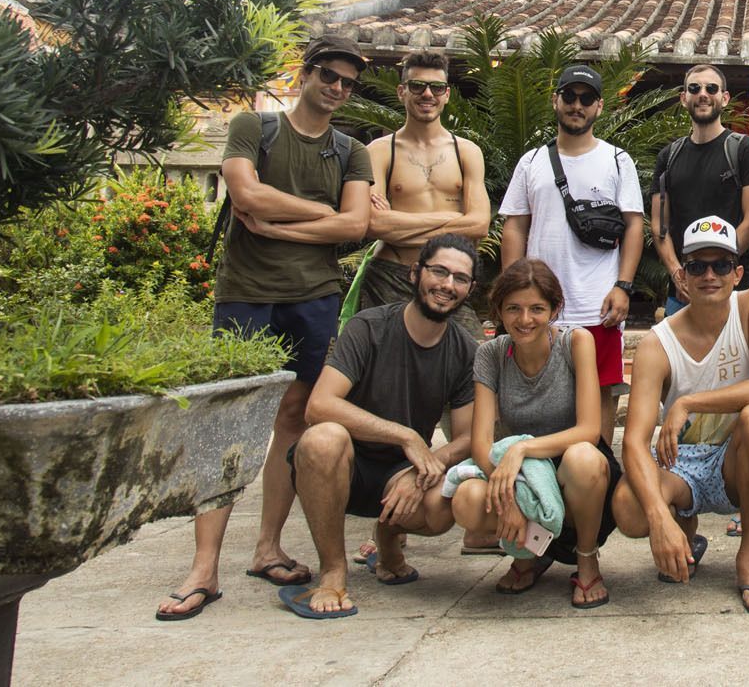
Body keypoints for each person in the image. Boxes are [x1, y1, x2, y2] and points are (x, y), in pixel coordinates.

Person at [157, 35, 374, 621]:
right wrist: (320, 214)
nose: (337, 88)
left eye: (348, 83)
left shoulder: (351, 152)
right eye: (329, 75)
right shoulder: (254, 127)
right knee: (231, 417)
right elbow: (244, 191)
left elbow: (354, 225)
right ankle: (204, 566)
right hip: (248, 294)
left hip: (315, 296)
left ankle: (268, 547)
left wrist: (281, 226)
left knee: (293, 417)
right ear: (305, 74)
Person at [277, 235, 481, 618]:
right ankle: (333, 571)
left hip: (400, 474)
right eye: (438, 271)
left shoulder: (464, 350)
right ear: (415, 273)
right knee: (324, 437)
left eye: (460, 278)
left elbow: (468, 436)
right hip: (342, 465)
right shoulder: (367, 327)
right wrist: (404, 435)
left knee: (442, 505)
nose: (447, 285)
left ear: (469, 289)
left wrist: (422, 469)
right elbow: (318, 406)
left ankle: (387, 539)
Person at [611, 217, 749, 613]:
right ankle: (682, 531)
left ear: (738, 273)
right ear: (682, 277)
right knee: (628, 507)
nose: (710, 275)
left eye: (721, 265)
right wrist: (658, 518)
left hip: (734, 457)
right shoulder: (658, 345)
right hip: (681, 464)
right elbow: (636, 442)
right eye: (697, 266)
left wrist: (688, 403)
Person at [448, 257, 620, 608]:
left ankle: (586, 557)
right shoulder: (490, 355)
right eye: (513, 308)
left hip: (579, 474)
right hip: (524, 475)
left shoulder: (576, 342)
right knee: (467, 499)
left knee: (583, 458)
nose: (525, 320)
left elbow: (589, 430)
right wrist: (508, 496)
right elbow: (481, 443)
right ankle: (530, 553)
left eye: (536, 309)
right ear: (498, 310)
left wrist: (521, 450)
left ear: (555, 309)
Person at [499, 64, 644, 445]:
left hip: (598, 304)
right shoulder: (531, 162)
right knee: (535, 391)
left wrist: (623, 286)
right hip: (539, 306)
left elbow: (633, 225)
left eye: (585, 98)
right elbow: (514, 226)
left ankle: (600, 472)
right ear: (555, 100)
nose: (576, 105)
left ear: (599, 106)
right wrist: (513, 293)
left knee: (604, 392)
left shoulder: (617, 160)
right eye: (569, 96)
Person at [360, 50, 492, 340]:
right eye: (418, 86)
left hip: (449, 278)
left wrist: (398, 223)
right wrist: (453, 219)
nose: (427, 94)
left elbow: (479, 225)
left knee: (475, 363)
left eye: (437, 87)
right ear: (402, 91)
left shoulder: (466, 152)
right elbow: (372, 225)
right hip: (390, 275)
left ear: (446, 95)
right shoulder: (380, 151)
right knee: (386, 367)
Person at [651, 63, 749, 315]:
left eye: (711, 88)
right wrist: (678, 273)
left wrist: (716, 271)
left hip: (734, 288)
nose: (703, 93)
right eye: (694, 88)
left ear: (724, 98)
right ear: (684, 98)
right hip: (682, 292)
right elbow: (660, 226)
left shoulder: (745, 150)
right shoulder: (668, 156)